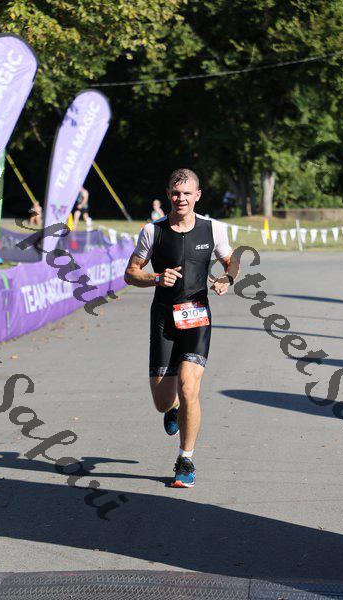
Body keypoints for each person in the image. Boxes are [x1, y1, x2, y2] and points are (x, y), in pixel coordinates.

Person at [124, 168, 238, 488]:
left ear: (197, 195)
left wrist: (227, 278)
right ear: (168, 194)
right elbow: (130, 273)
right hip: (164, 318)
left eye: (187, 193)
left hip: (196, 316)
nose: (181, 198)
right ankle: (172, 409)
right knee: (163, 401)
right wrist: (156, 278)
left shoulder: (213, 229)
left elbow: (231, 261)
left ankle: (185, 459)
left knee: (189, 387)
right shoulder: (153, 231)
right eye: (176, 193)